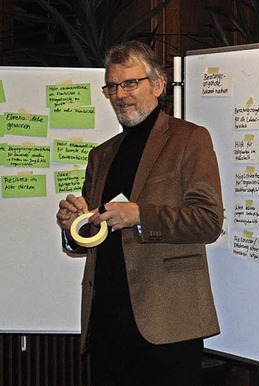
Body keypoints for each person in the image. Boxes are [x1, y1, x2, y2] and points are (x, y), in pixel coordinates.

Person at [55, 40, 224, 385]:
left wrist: (140, 215)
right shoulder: (101, 155)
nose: (120, 94)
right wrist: (74, 225)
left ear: (159, 85)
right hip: (105, 325)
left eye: (130, 83)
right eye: (112, 86)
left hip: (167, 324)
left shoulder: (189, 139)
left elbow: (208, 221)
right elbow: (90, 238)